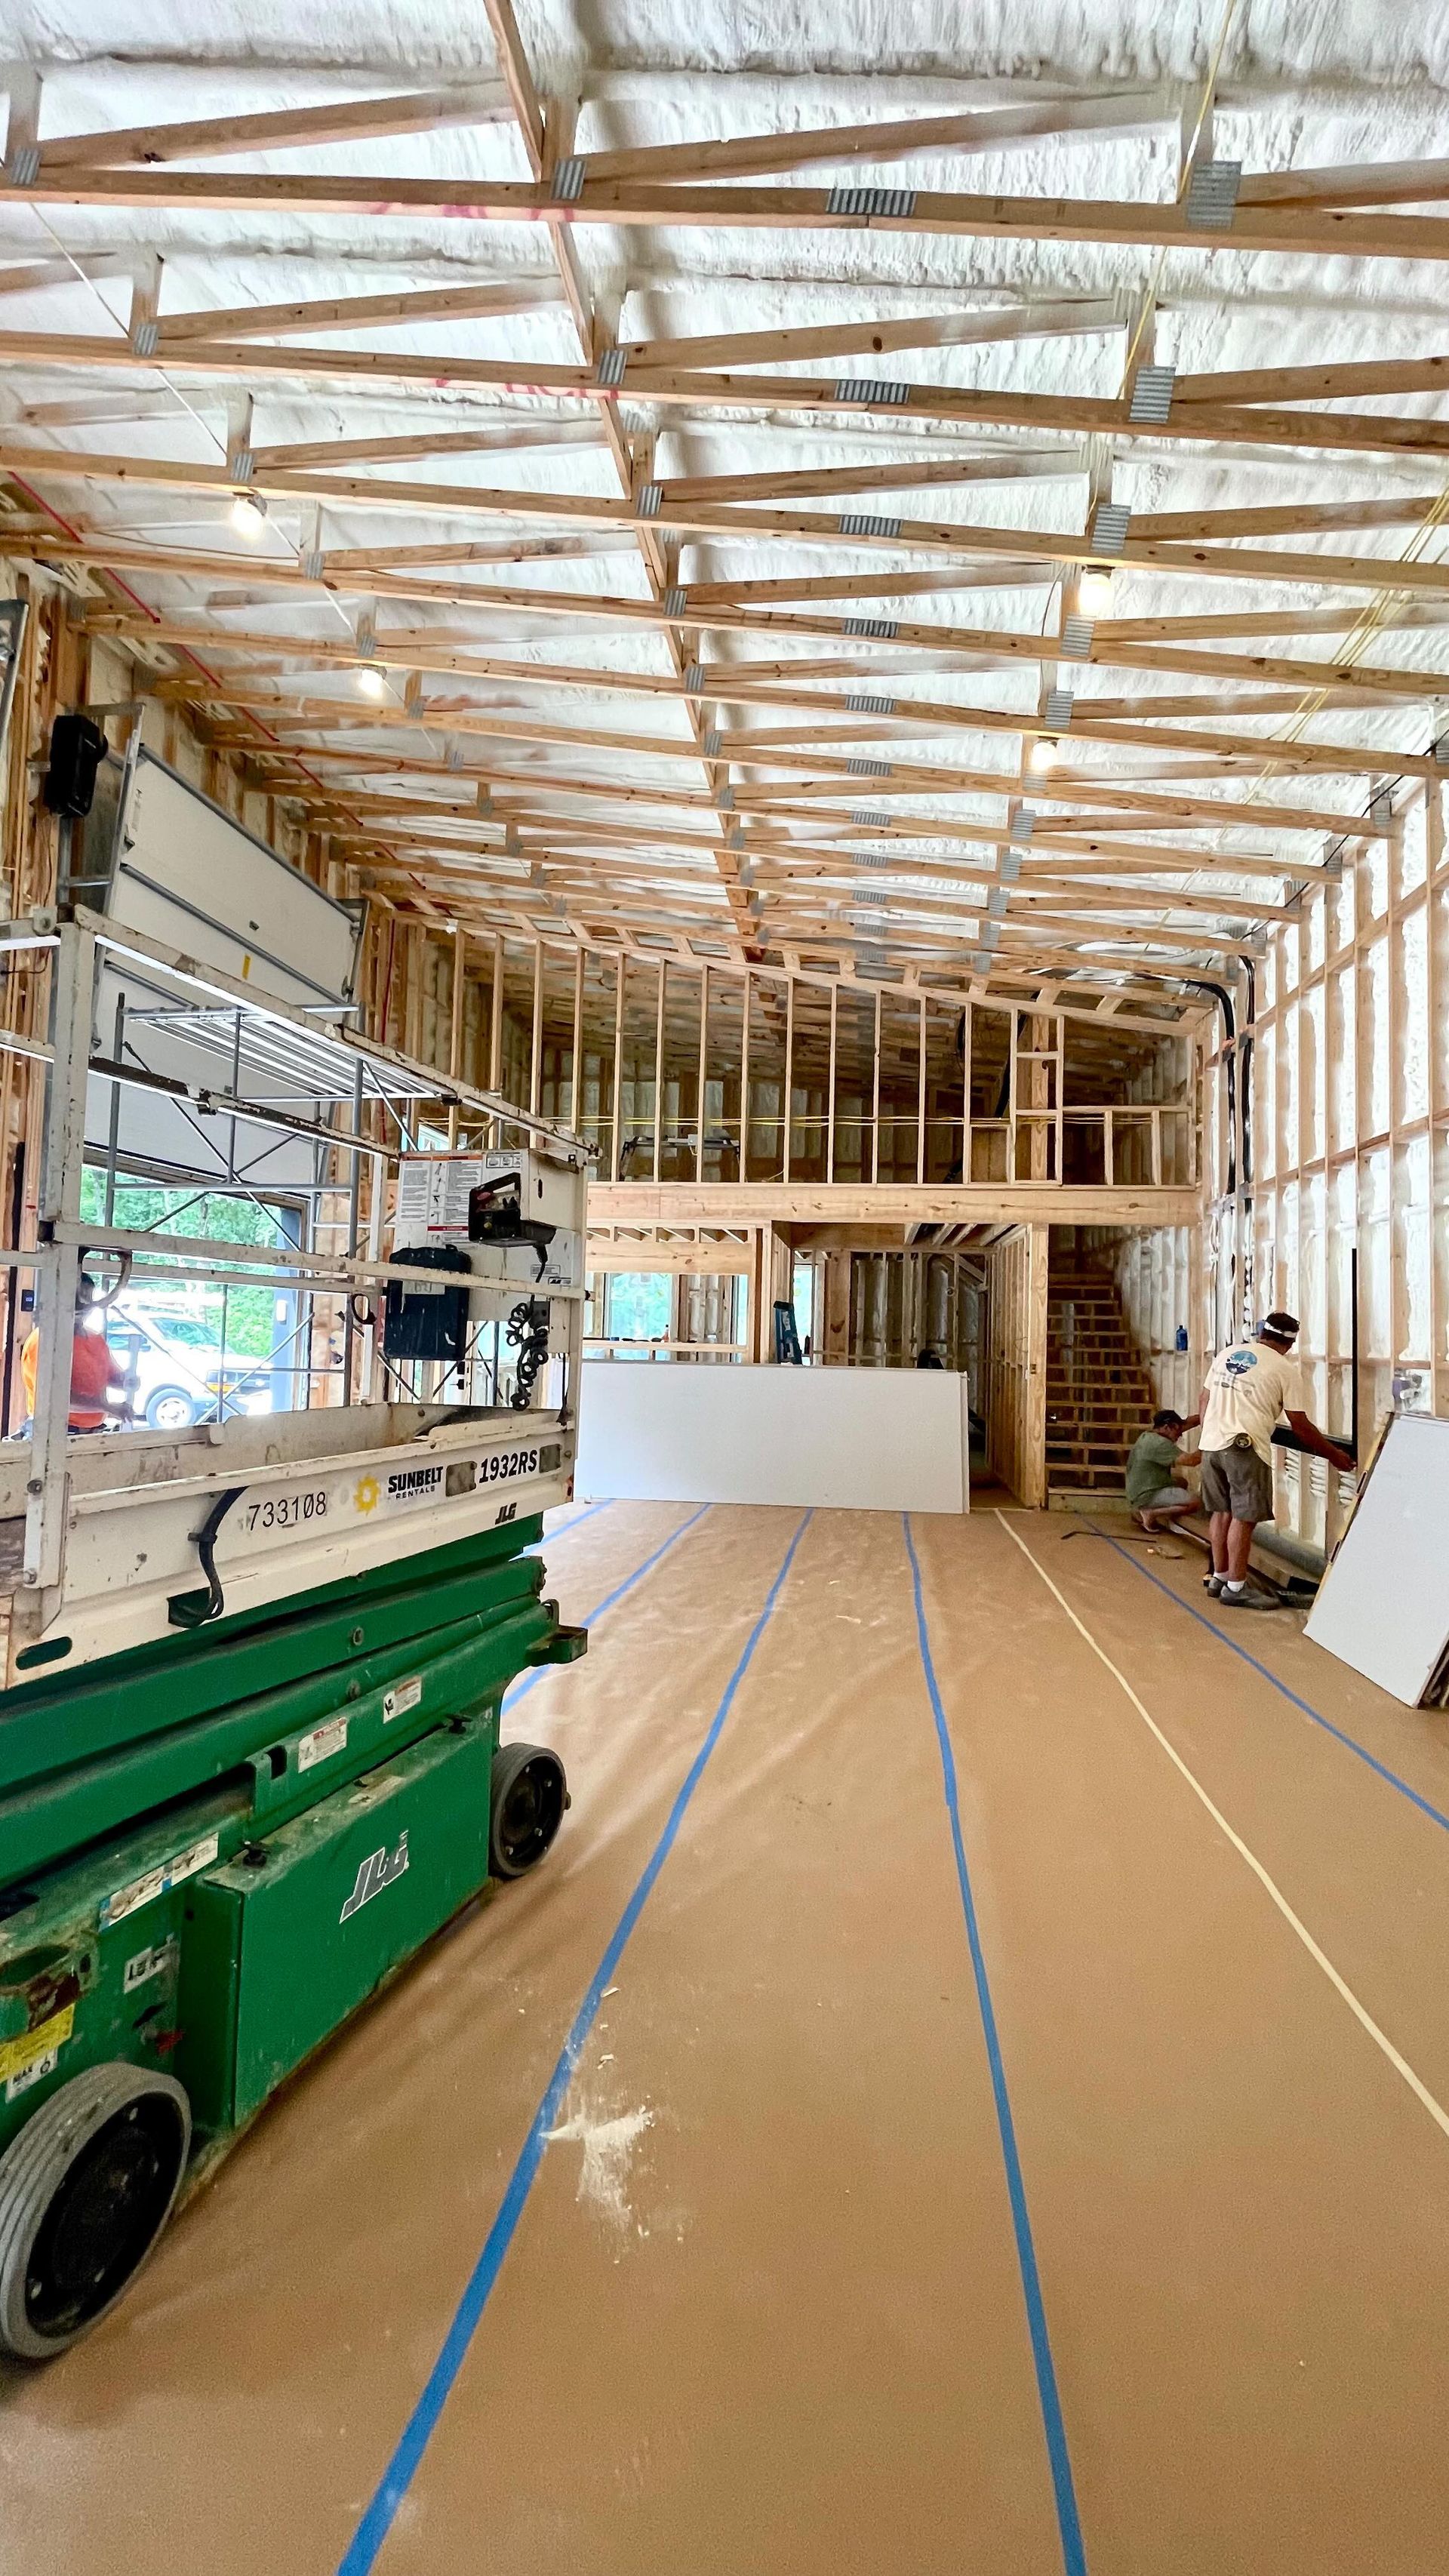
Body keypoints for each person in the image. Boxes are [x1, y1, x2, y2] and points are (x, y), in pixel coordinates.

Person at [1198, 1310, 1353, 1609]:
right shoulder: (1284, 1370)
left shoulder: (1227, 1354)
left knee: (1221, 1513)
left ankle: (1219, 1578)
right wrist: (1334, 1455)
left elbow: (1204, 1400)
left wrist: (1210, 1433)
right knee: (1244, 1519)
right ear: (1290, 1344)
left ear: (1261, 1333)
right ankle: (1236, 1587)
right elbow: (1300, 1425)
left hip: (1212, 1444)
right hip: (1244, 1447)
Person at [20, 1276, 135, 1433]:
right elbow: (56, 1398)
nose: (84, 1305)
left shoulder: (95, 1340)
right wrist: (107, 1407)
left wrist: (126, 1381)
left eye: (88, 1298)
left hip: (91, 1434)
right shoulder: (44, 1341)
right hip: (56, 1436)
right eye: (77, 1299)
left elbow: (112, 1377)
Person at [1125, 1408, 1201, 1531]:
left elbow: (1186, 1423)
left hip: (1137, 1491)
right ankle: (1151, 1513)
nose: (1179, 1436)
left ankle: (1142, 1510)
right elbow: (1192, 1461)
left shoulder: (1148, 1435)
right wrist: (1209, 1443)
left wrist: (1207, 1414)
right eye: (1178, 1432)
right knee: (1195, 1502)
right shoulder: (1160, 1444)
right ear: (1167, 1427)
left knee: (1182, 1482)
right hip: (1147, 1494)